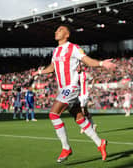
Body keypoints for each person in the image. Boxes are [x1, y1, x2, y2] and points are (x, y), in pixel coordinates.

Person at [32, 24, 116, 163]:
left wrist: (101, 64)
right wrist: (39, 72)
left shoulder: (73, 48)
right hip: (63, 89)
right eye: (56, 30)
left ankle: (66, 148)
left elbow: (86, 60)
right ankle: (100, 142)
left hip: (71, 88)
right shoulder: (56, 51)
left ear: (67, 35)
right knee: (79, 118)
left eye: (60, 30)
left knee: (53, 114)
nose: (56, 31)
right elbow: (52, 67)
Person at [77, 63, 97, 134]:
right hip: (78, 95)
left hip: (84, 95)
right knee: (85, 111)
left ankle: (85, 127)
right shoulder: (74, 75)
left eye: (78, 66)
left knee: (81, 110)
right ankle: (93, 124)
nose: (77, 68)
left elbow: (93, 78)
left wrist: (91, 87)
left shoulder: (85, 74)